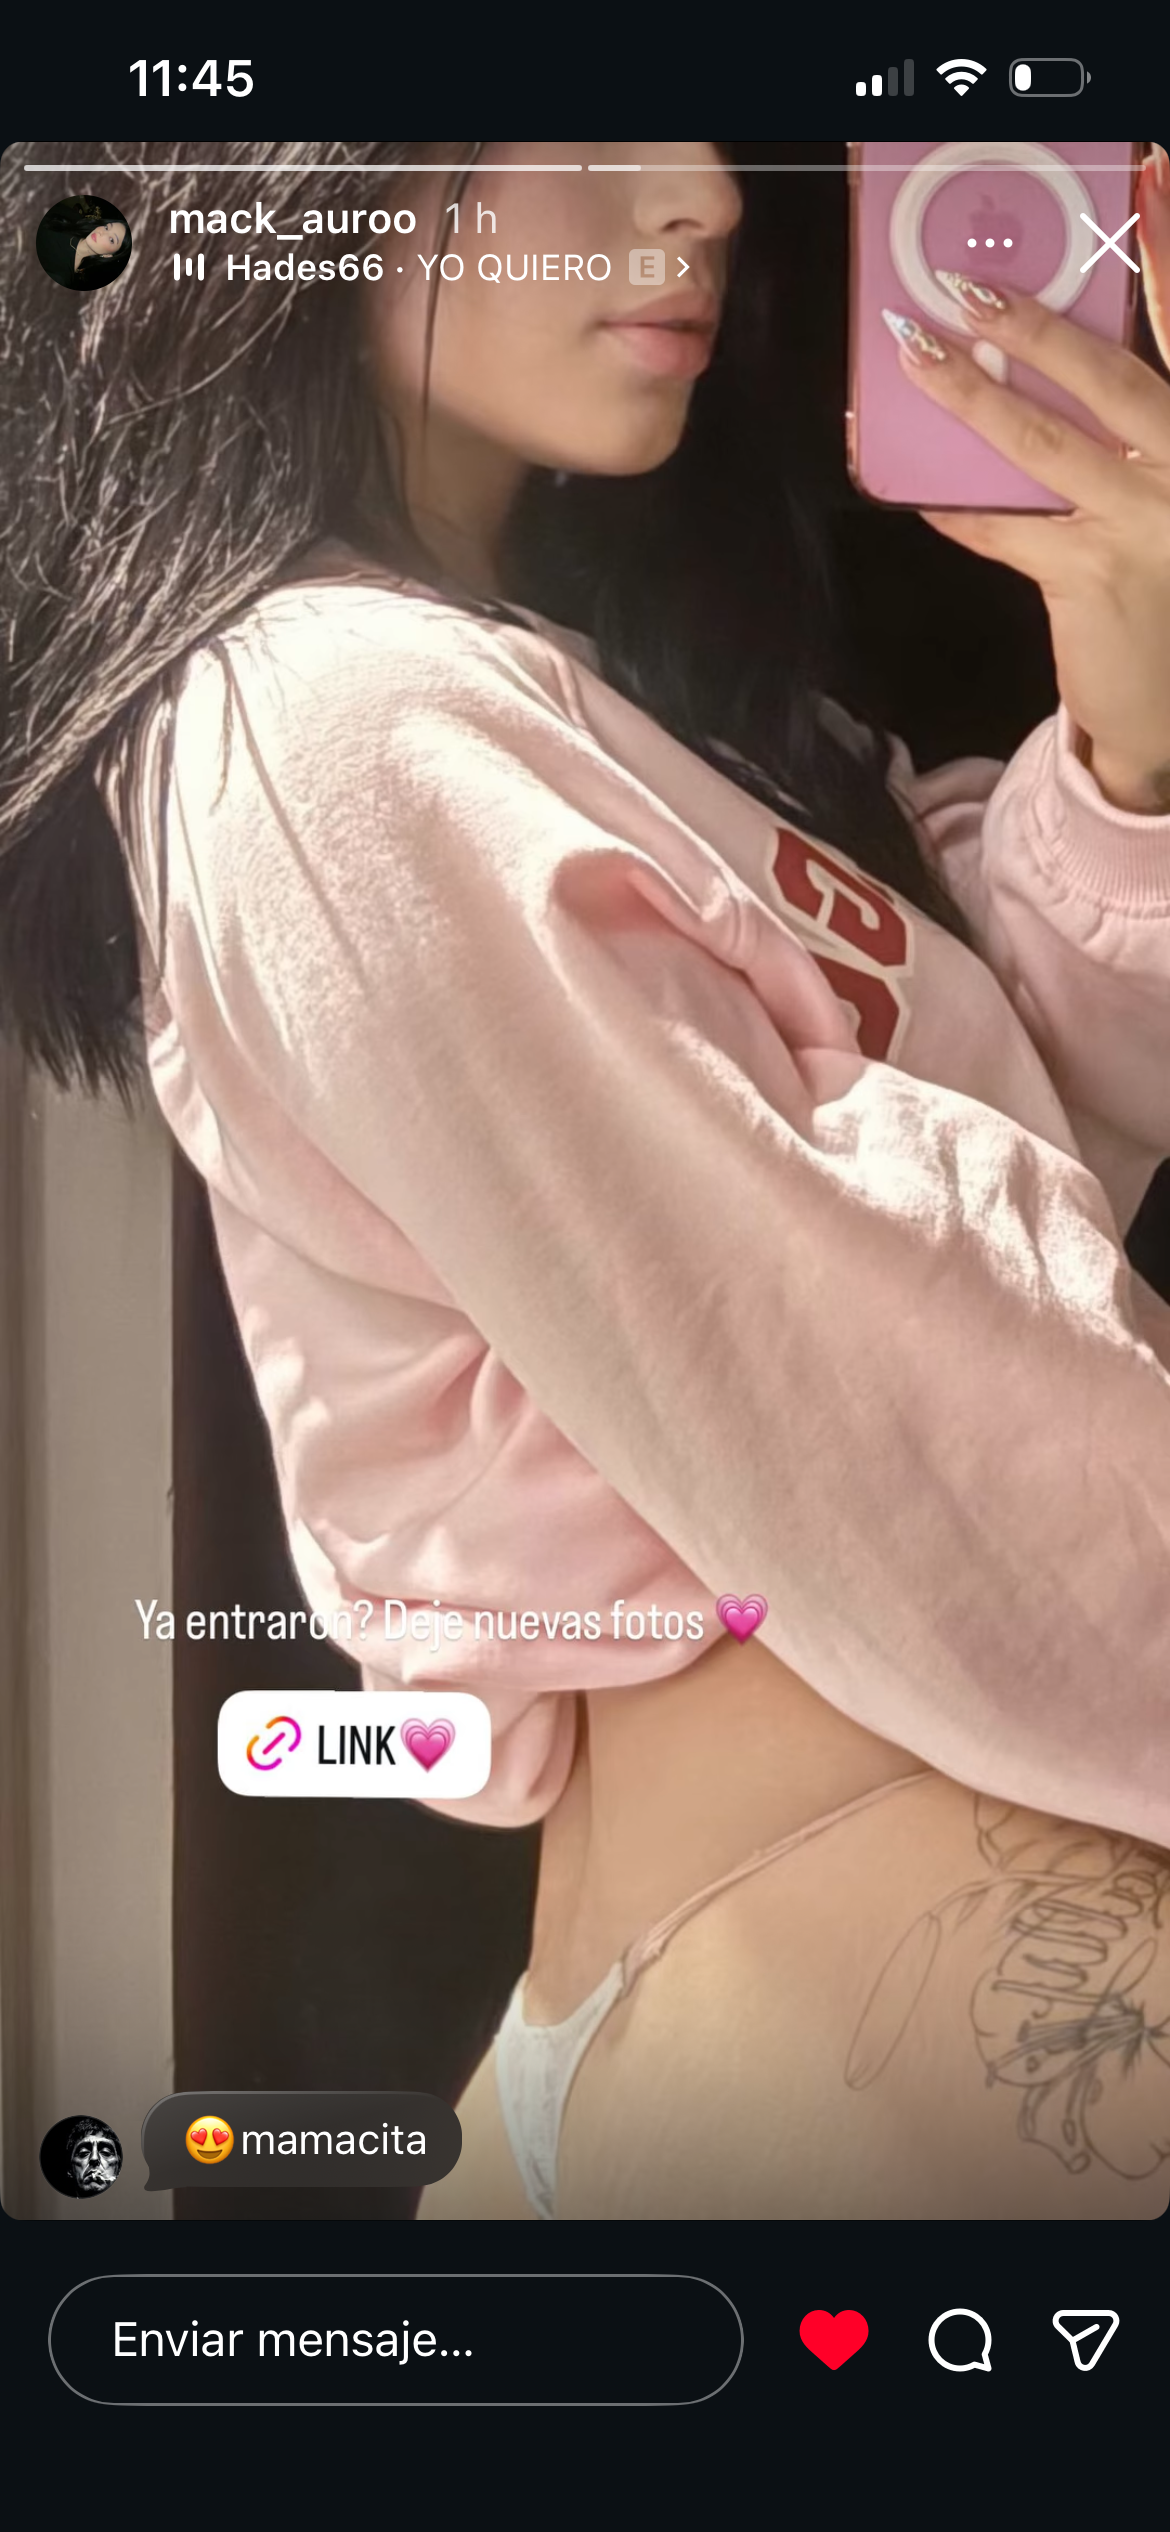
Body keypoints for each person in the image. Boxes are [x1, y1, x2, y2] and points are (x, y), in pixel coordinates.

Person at [3, 140, 1170, 2222]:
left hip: (854, 1956)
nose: (705, 194)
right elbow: (899, 1398)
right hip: (874, 1952)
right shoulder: (324, 717)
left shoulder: (627, 693)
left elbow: (1037, 1131)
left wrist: (1131, 708)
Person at [35, 196, 131, 290]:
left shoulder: (61, 276)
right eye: (106, 227)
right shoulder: (74, 218)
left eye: (111, 239)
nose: (102, 232)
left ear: (107, 255)